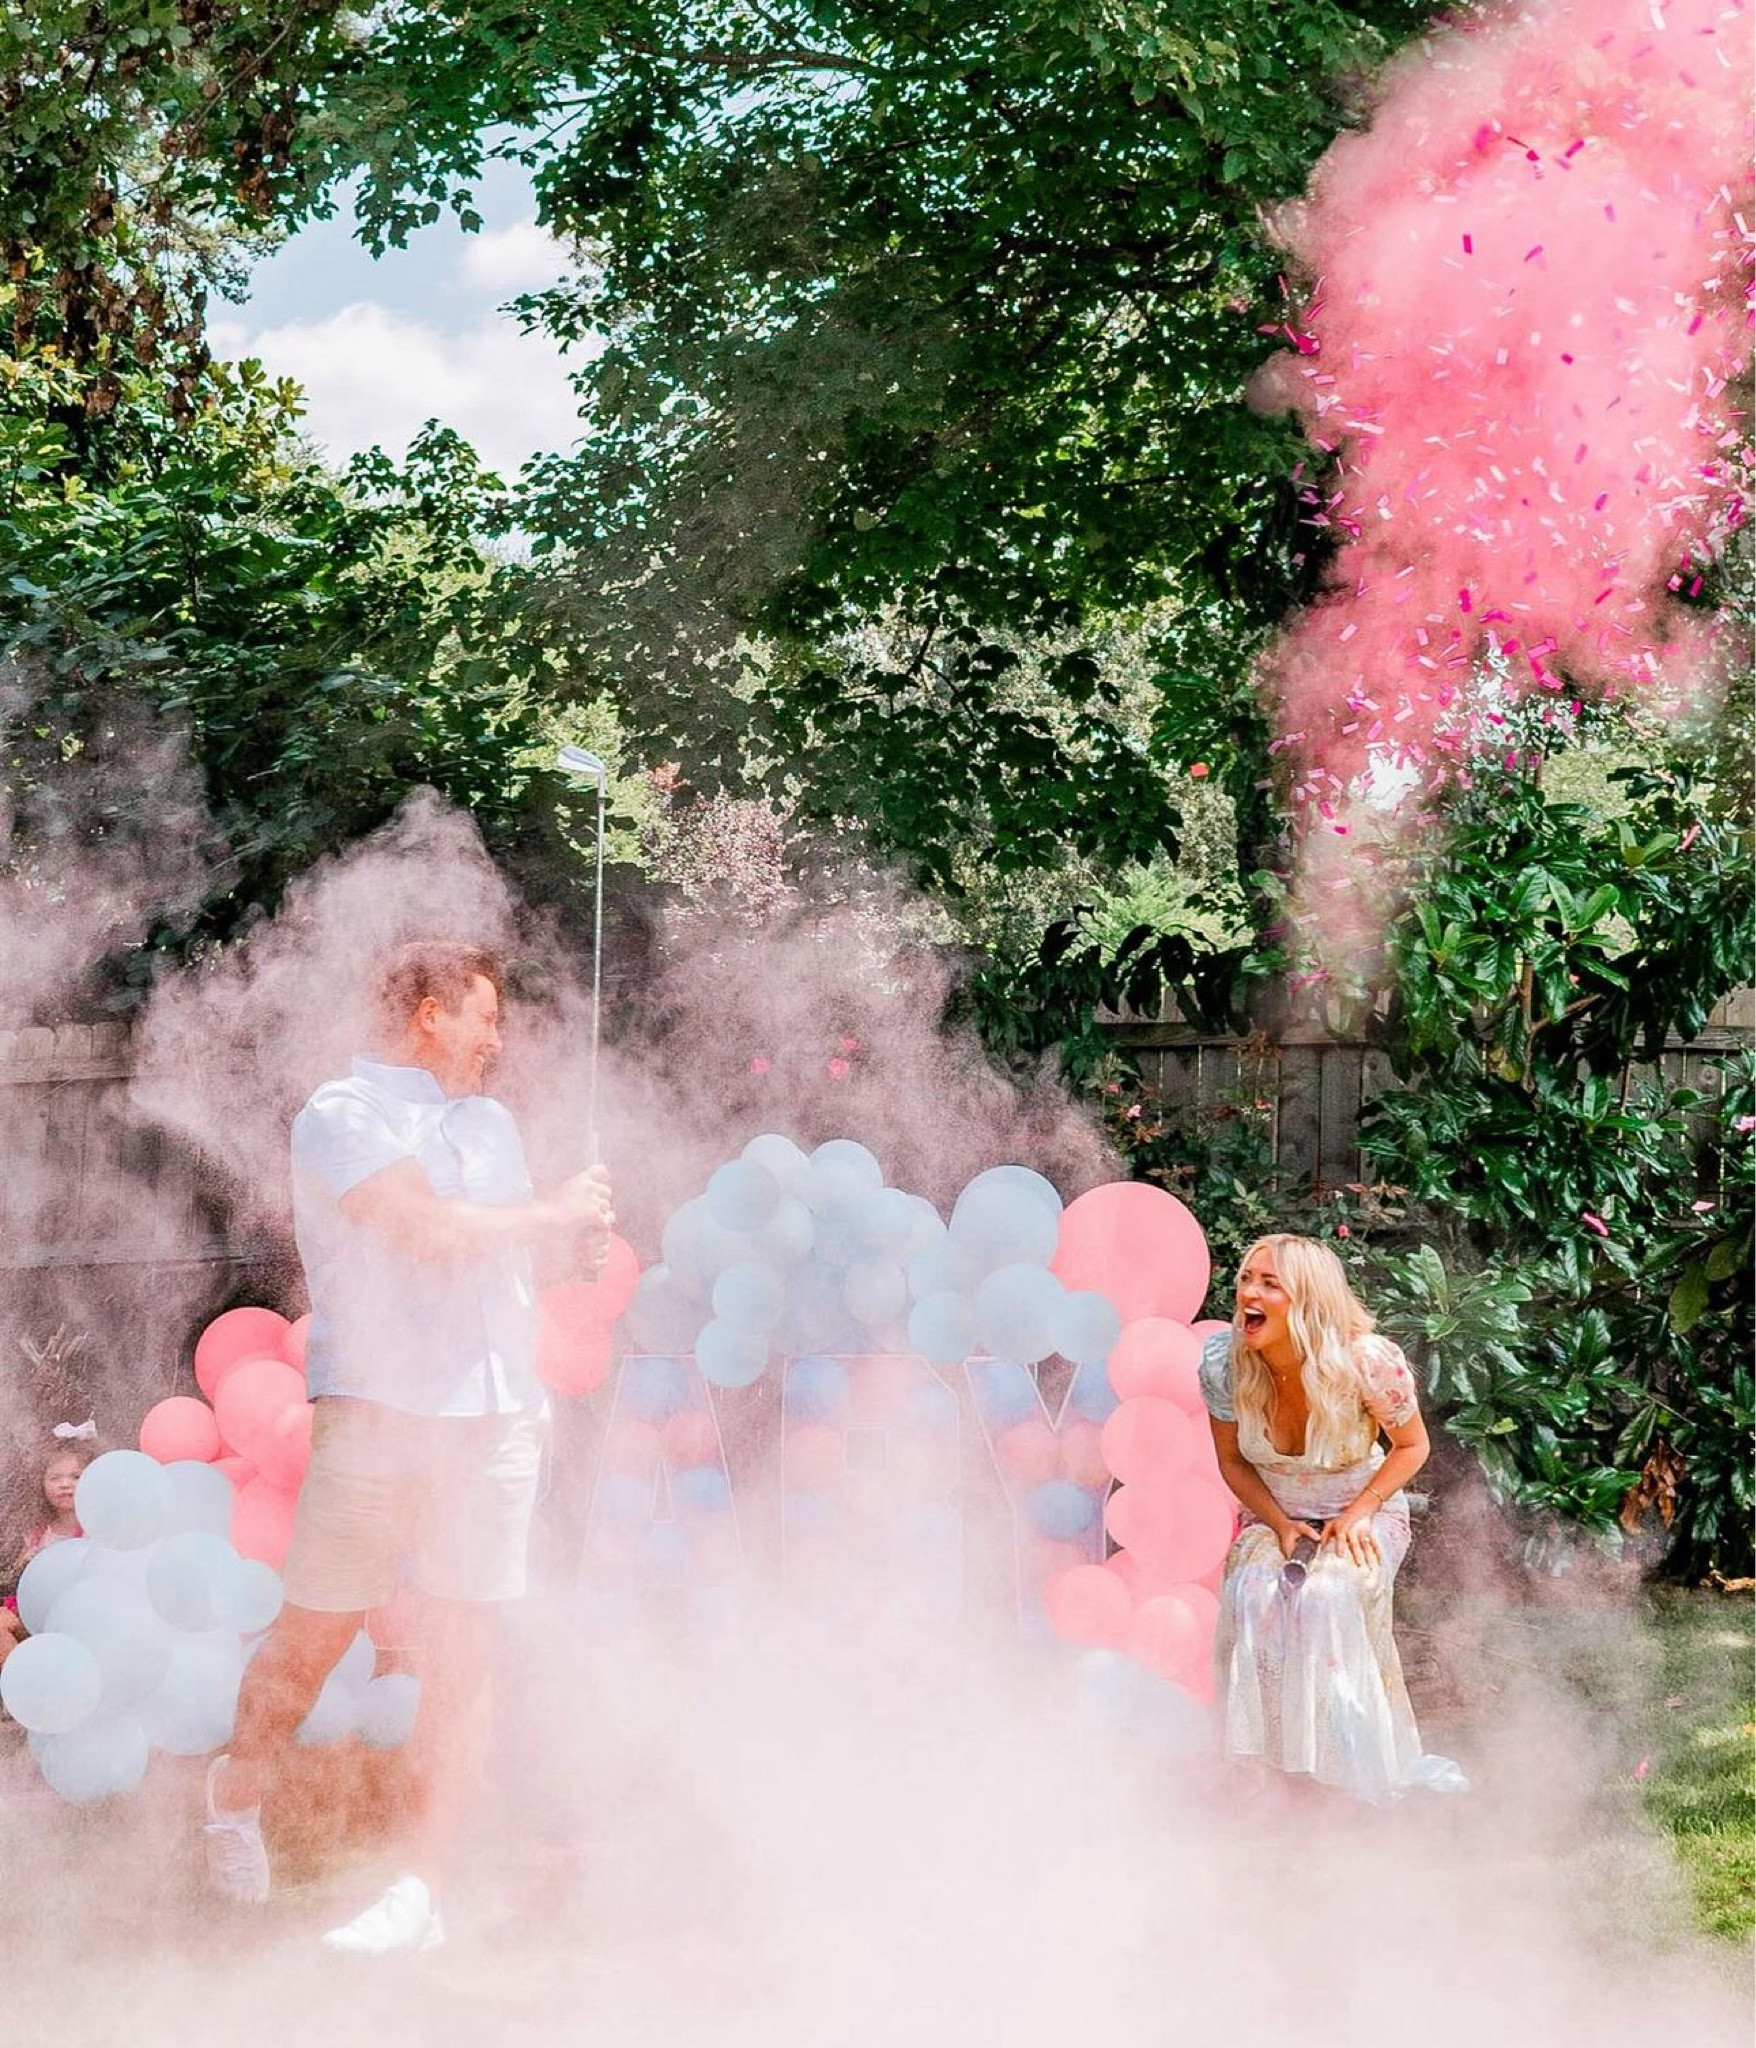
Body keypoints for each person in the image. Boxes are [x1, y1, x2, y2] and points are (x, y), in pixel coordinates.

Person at [200, 939, 615, 1953]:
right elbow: (424, 1230)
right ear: (428, 1015)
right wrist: (546, 1212)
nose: (497, 1037)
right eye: (482, 1015)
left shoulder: (494, 1121)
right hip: (379, 1414)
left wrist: (573, 1241)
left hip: (493, 1416)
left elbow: (504, 1246)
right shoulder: (343, 1114)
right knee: (311, 1645)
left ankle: (419, 1893)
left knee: (462, 1653)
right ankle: (236, 1789)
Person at [1201, 1233, 1459, 1804]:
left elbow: (1412, 1447)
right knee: (1257, 1592)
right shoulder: (1225, 1363)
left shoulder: (1367, 1362)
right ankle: (1265, 1772)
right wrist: (1279, 1524)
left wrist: (1359, 1513)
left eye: (1270, 1283)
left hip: (1363, 1510)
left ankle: (1350, 1774)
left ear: (1309, 1299)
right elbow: (1231, 1460)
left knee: (1328, 1597)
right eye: (1246, 1278)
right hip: (1276, 1513)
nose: (1249, 1291)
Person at [1, 1433, 93, 1670]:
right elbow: (17, 1578)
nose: (65, 1484)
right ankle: (22, 1676)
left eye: (76, 1476)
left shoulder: (93, 1531)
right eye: (55, 1477)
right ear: (41, 1484)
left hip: (75, 1616)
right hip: (35, 1615)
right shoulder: (38, 1531)